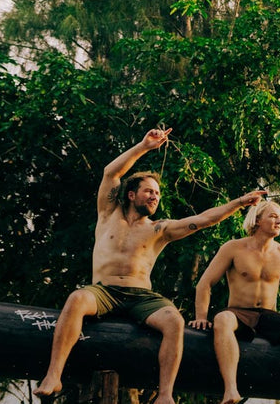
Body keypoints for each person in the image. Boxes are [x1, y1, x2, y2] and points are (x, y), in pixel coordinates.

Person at [34, 129, 267, 404]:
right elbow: (111, 174)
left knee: (174, 321)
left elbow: (204, 219)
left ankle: (165, 394)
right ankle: (54, 374)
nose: (155, 197)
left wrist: (240, 202)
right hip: (104, 291)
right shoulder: (108, 214)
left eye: (157, 194)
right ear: (131, 194)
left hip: (141, 297)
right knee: (76, 299)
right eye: (149, 191)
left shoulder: (160, 229)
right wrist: (145, 146)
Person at [188, 198, 280, 404]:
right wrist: (201, 317)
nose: (279, 221)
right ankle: (231, 391)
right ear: (257, 220)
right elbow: (205, 283)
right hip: (239, 312)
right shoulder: (233, 247)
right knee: (222, 319)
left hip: (269, 315)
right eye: (273, 216)